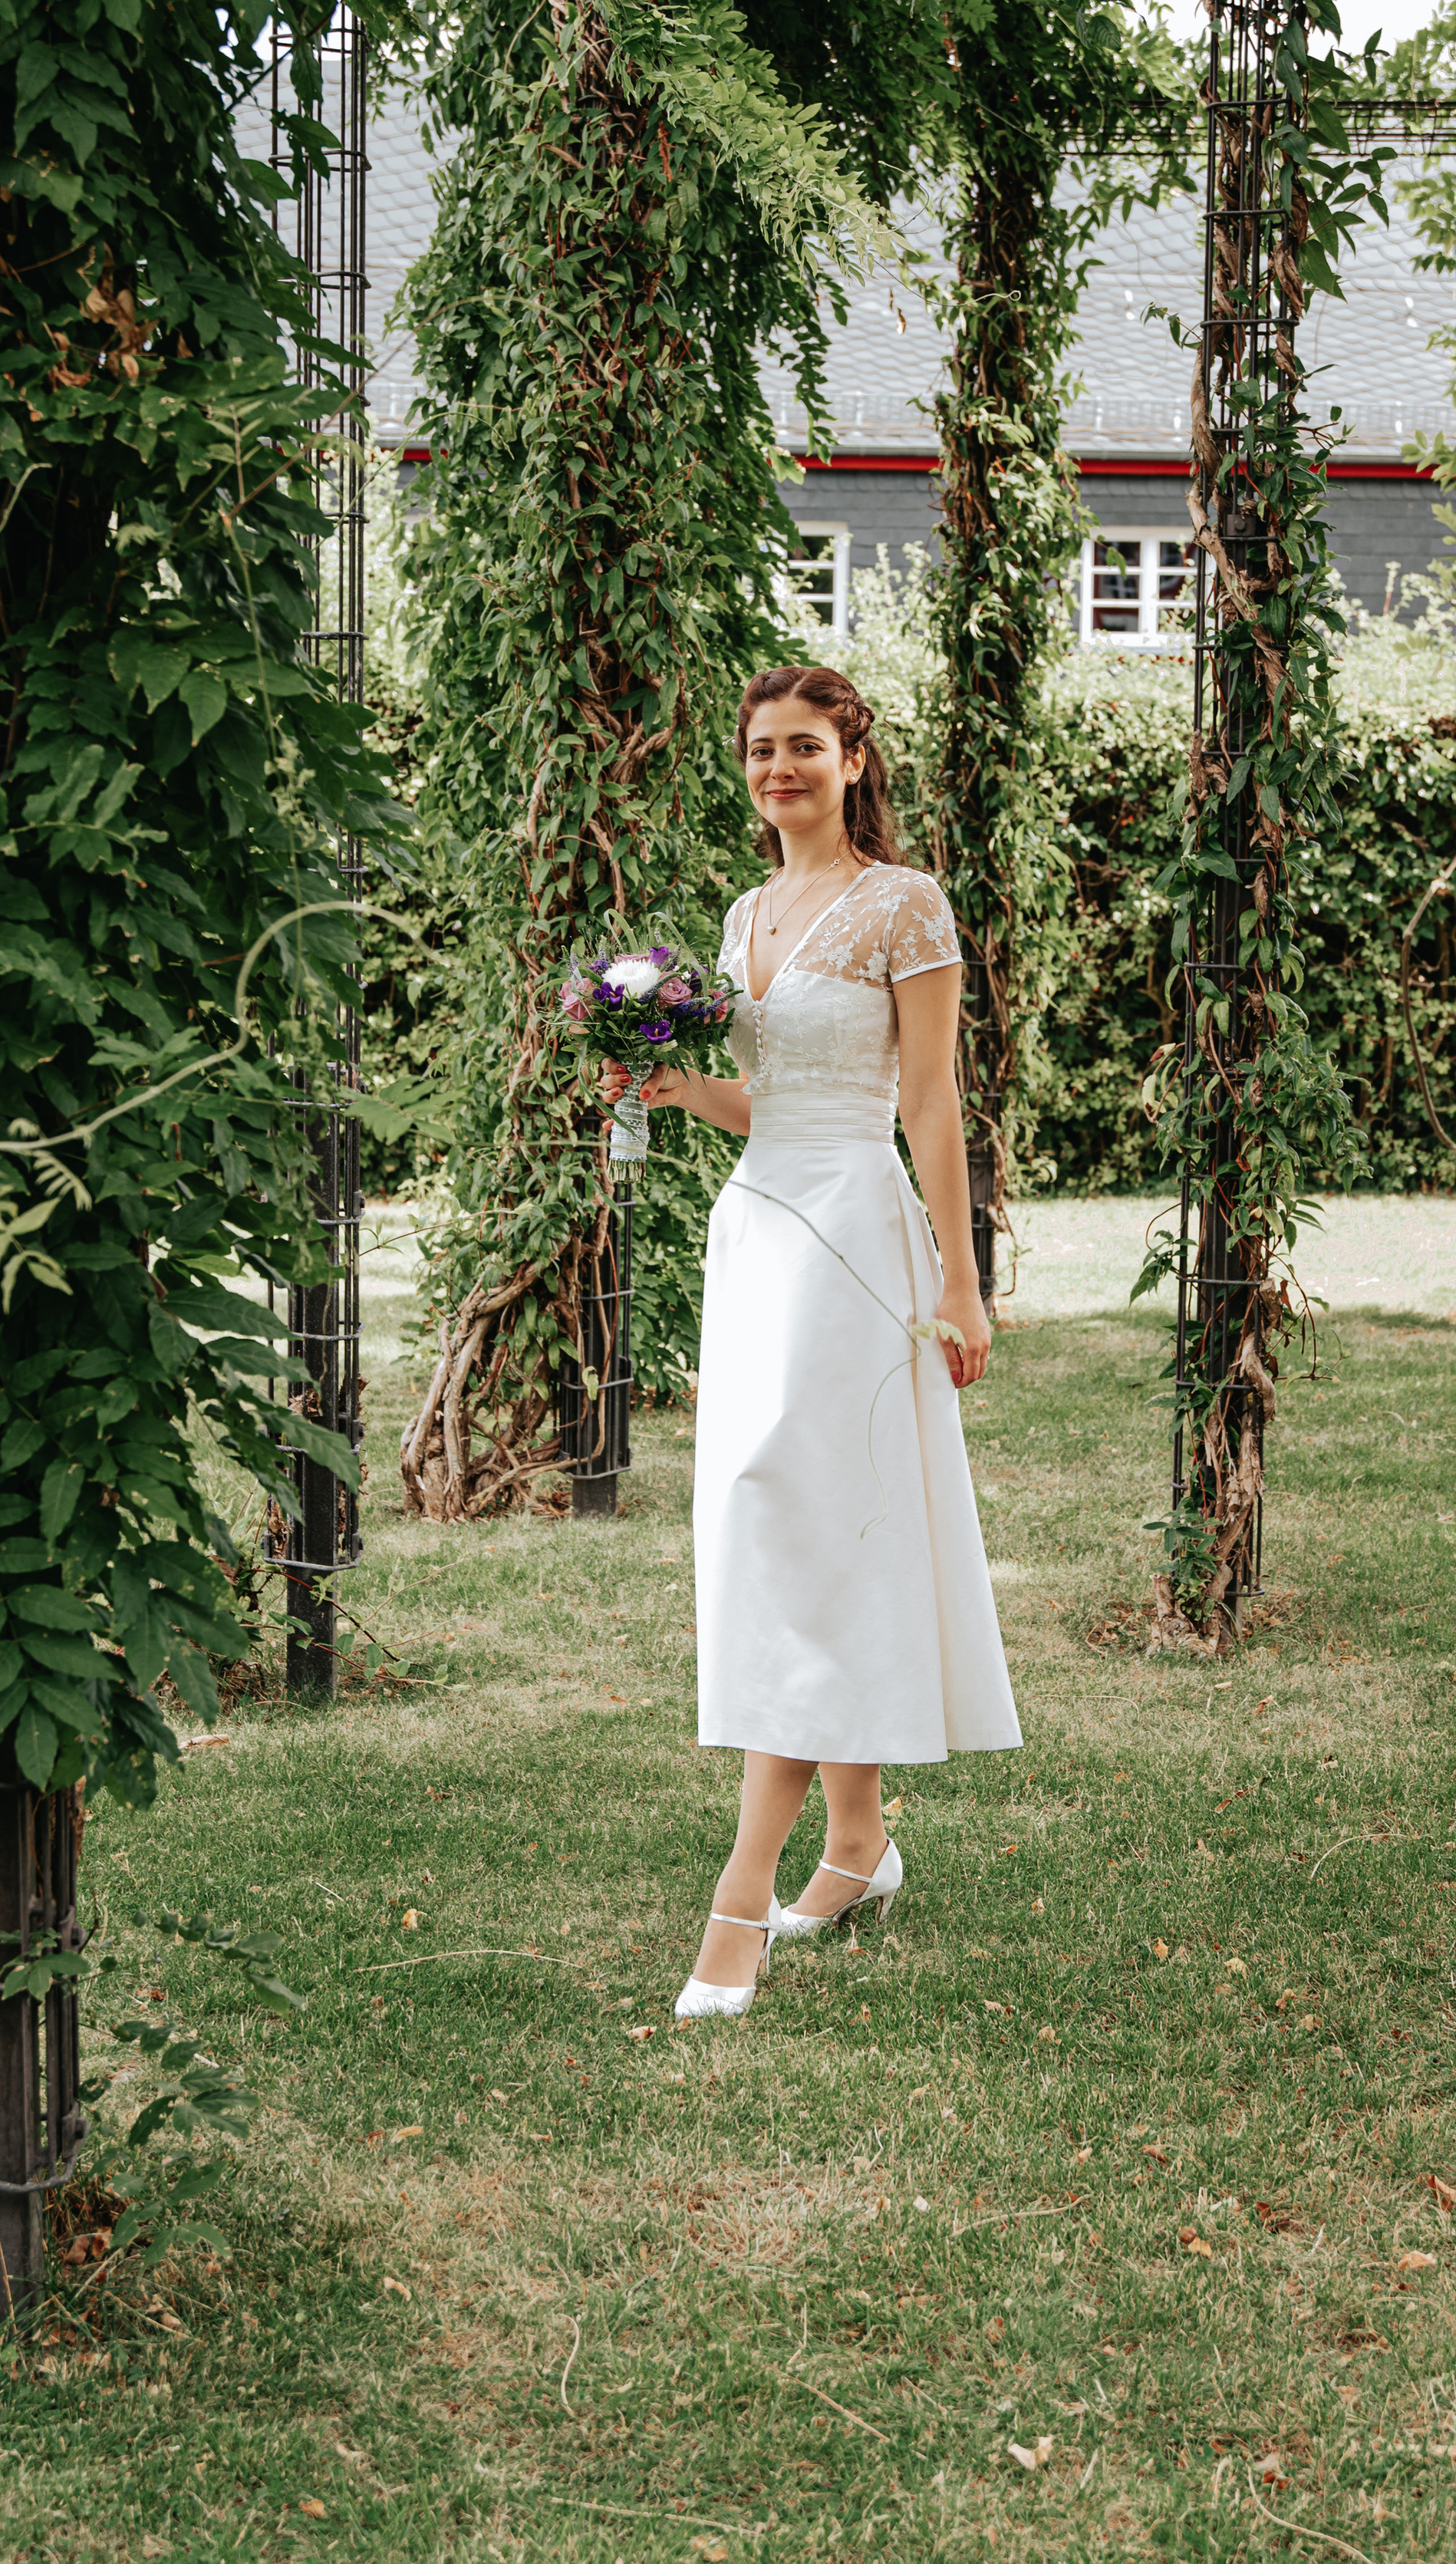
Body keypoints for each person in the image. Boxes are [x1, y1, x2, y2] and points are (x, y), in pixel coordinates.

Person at [601, 664, 1021, 2024]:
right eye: (761, 749)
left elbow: (930, 1106)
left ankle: (740, 1898)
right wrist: (673, 1082)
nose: (779, 768)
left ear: (853, 759)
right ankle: (858, 1844)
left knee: (795, 1515)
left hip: (855, 1237)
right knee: (786, 1519)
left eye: (805, 747)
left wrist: (964, 1284)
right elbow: (761, 1100)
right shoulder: (744, 914)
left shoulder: (906, 903)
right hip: (757, 1234)